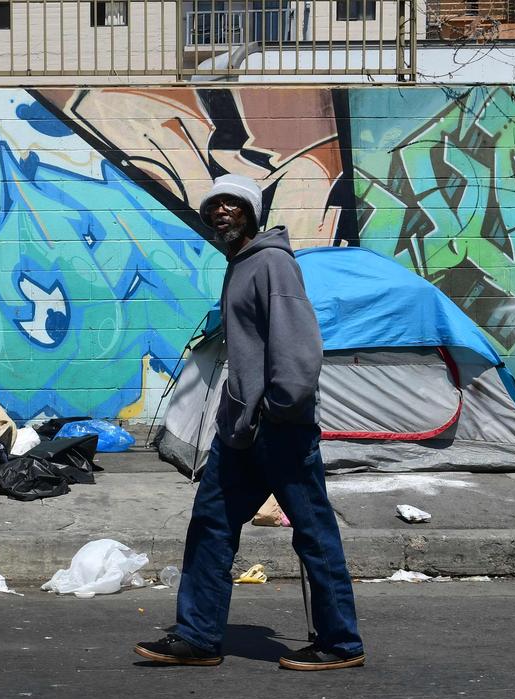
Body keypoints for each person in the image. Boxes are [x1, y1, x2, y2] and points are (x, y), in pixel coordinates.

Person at [134, 174, 366, 671]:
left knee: (313, 532)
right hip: (239, 430)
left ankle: (341, 643)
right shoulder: (238, 265)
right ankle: (197, 636)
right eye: (213, 205)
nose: (220, 212)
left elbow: (300, 347)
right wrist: (240, 414)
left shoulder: (272, 265)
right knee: (211, 526)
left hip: (279, 428)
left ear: (251, 214)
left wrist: (277, 409)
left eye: (232, 205)